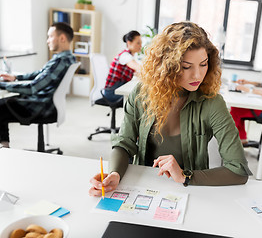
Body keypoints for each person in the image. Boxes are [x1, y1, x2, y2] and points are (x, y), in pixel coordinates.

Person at [89, 21, 252, 196]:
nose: (197, 75)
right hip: (142, 187)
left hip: (189, 192)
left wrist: (185, 176)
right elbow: (124, 143)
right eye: (186, 67)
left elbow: (238, 170)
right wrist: (115, 173)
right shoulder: (141, 93)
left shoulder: (212, 103)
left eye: (203, 64)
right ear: (167, 66)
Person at [0, 22, 76, 148]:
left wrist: (2, 85)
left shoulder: (60, 61)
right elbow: (40, 74)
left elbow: (33, 88)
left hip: (41, 106)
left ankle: (5, 147)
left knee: (1, 105)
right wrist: (16, 77)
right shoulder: (67, 58)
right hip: (47, 103)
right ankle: (4, 144)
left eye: (50, 36)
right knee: (5, 102)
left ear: (62, 38)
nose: (47, 41)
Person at [103, 30, 142, 102]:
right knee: (139, 98)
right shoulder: (125, 56)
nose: (141, 46)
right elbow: (136, 66)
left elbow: (136, 72)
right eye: (138, 43)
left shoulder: (130, 56)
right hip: (112, 92)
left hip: (117, 88)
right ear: (129, 43)